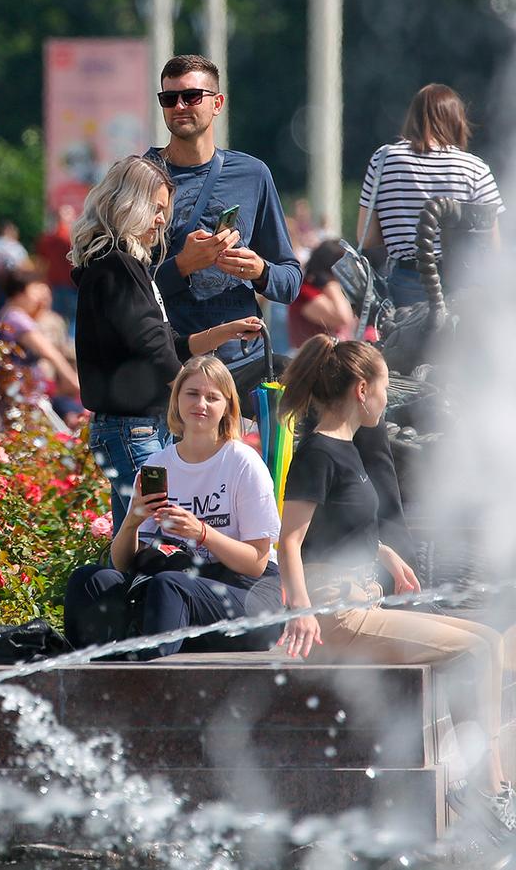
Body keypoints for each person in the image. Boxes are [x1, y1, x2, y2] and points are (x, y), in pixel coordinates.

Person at [276, 335, 514, 833]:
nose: (389, 398)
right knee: (474, 652)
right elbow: (290, 541)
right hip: (335, 616)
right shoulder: (318, 453)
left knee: (487, 643)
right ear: (362, 389)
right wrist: (300, 610)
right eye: (386, 386)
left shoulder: (347, 450)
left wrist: (381, 550)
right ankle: (486, 789)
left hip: (360, 603)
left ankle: (487, 784)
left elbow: (336, 523)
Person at [71, 155, 264, 531]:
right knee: (160, 532)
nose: (162, 221)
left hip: (137, 429)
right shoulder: (118, 266)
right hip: (133, 431)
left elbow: (164, 344)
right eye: (156, 209)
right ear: (129, 204)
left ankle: (121, 590)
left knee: (139, 537)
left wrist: (223, 332)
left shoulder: (125, 265)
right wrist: (204, 403)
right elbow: (154, 350)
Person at [64, 355, 283, 657]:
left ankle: (149, 681)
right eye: (192, 394)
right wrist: (133, 522)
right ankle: (92, 671)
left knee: (169, 586)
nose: (201, 404)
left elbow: (256, 562)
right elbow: (122, 563)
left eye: (212, 397)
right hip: (179, 586)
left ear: (227, 407)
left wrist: (202, 533)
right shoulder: (158, 464)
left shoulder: (242, 462)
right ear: (176, 400)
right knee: (90, 579)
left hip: (247, 594)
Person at [146, 54, 301, 406]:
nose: (180, 106)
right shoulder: (140, 177)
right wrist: (183, 265)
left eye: (192, 96)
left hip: (244, 362)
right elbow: (122, 289)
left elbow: (290, 281)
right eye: (169, 99)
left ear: (217, 103)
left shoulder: (253, 174)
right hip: (173, 365)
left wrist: (260, 271)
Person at [357, 83, 504, 308]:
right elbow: (491, 247)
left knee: (401, 340)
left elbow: (366, 237)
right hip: (463, 286)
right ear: (457, 120)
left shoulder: (384, 159)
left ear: (413, 117)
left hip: (405, 283)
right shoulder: (476, 169)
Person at [0, 271, 81, 421]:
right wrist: (72, 379)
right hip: (26, 393)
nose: (38, 297)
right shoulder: (17, 318)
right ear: (20, 292)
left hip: (15, 390)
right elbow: (48, 351)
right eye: (34, 290)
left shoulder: (6, 314)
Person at [287, 239, 356, 348]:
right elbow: (342, 318)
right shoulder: (304, 291)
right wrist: (331, 283)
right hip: (311, 359)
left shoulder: (322, 291)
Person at [36, 204, 79, 323]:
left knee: (57, 319)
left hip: (54, 284)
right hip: (72, 284)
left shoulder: (47, 238)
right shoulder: (73, 237)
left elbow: (41, 264)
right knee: (74, 320)